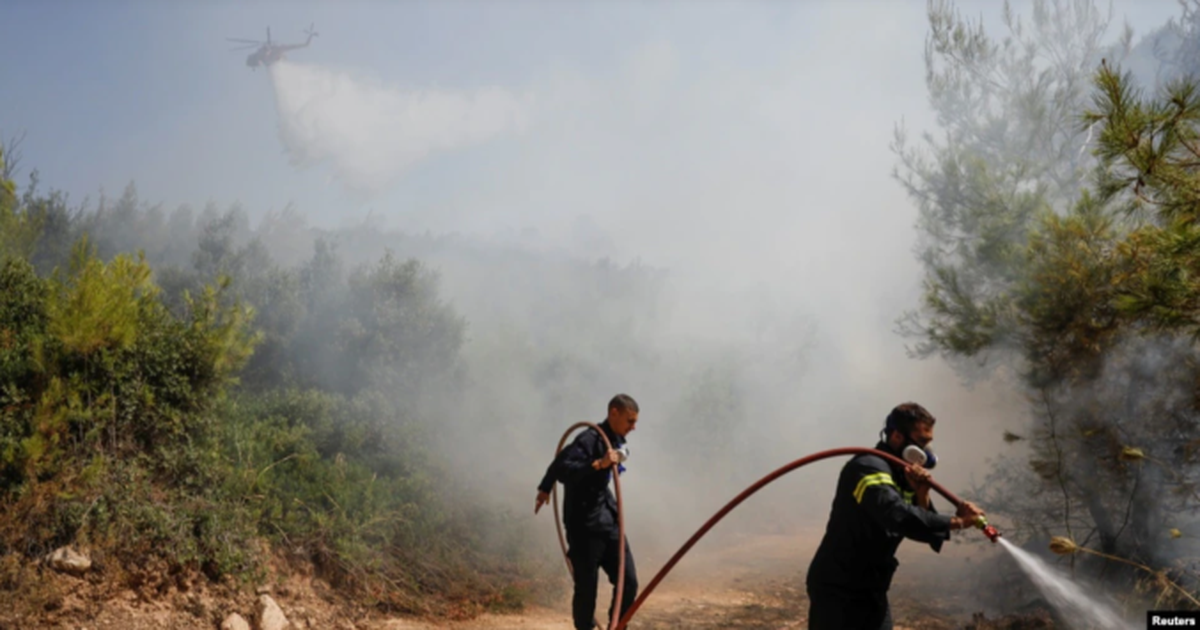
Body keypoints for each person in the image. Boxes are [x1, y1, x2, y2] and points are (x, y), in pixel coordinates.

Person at [805, 402, 986, 630]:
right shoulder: (867, 467)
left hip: (872, 588)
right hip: (838, 588)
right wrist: (960, 522)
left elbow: (928, 534)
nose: (925, 453)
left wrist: (922, 495)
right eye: (921, 442)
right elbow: (896, 516)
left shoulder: (902, 475)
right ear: (897, 437)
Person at [535, 394, 640, 630]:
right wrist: (598, 465)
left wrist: (544, 487)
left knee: (629, 583)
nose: (633, 427)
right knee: (586, 590)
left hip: (608, 522)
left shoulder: (616, 439)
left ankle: (616, 625)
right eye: (630, 421)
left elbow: (559, 464)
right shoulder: (589, 438)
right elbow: (562, 467)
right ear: (614, 413)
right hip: (583, 527)